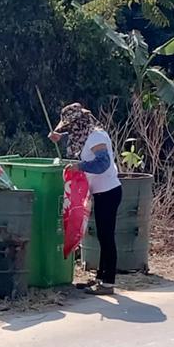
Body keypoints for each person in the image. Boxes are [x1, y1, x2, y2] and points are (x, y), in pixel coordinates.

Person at [49, 102, 122, 295]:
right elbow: (76, 139)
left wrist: (79, 167)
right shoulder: (85, 133)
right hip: (100, 191)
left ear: (79, 121)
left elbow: (102, 163)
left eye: (70, 126)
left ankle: (108, 283)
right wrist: (59, 136)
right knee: (102, 235)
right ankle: (100, 277)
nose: (70, 130)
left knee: (106, 236)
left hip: (108, 191)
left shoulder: (96, 135)